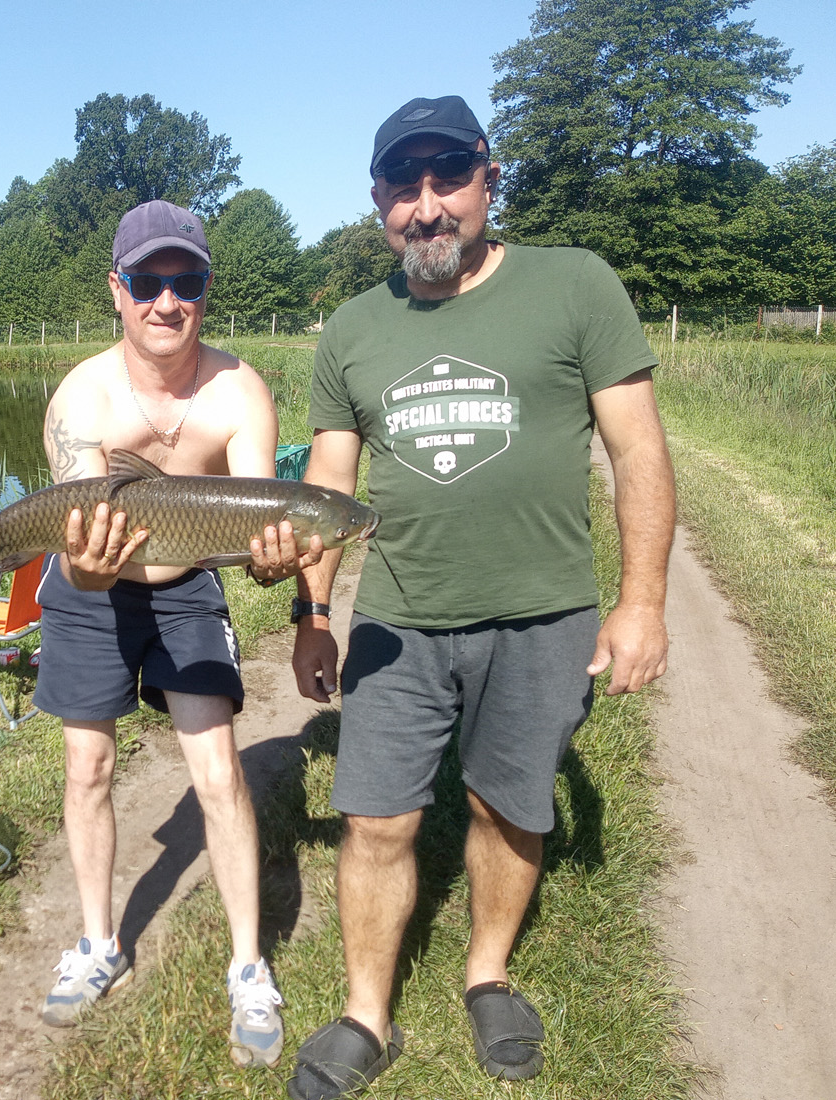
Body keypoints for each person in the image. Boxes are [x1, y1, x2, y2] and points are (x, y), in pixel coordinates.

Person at [285, 96, 675, 1099]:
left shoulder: (574, 283)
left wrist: (641, 601)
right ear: (377, 199)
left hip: (542, 611)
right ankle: (366, 1013)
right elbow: (328, 482)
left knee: (508, 806)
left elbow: (637, 449)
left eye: (447, 177)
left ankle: (487, 974)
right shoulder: (353, 326)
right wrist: (313, 615)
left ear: (487, 177)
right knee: (375, 820)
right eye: (402, 185)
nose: (427, 206)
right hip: (399, 620)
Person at [34, 198, 321, 1068]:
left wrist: (275, 566)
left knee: (218, 772)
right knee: (88, 767)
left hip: (190, 585)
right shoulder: (81, 399)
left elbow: (259, 521)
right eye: (147, 282)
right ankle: (97, 944)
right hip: (88, 589)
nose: (167, 301)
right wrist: (88, 567)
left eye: (185, 281)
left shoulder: (238, 390)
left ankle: (247, 965)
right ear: (116, 289)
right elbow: (81, 561)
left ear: (205, 289)